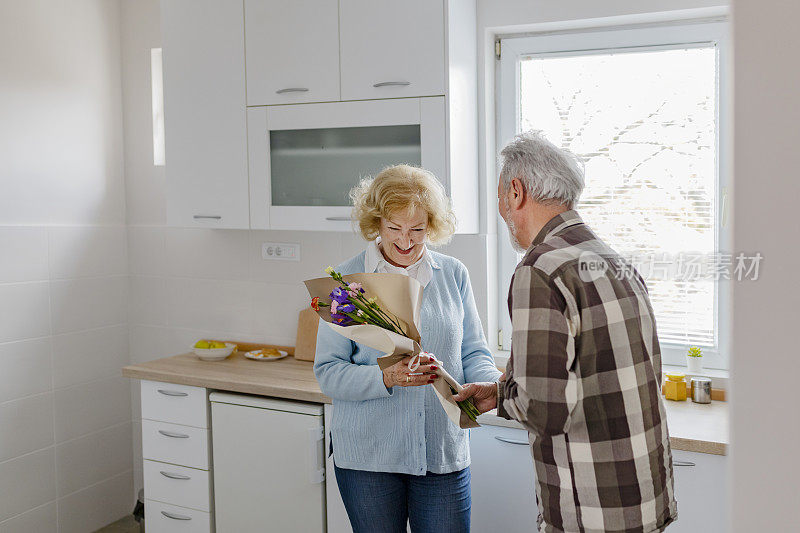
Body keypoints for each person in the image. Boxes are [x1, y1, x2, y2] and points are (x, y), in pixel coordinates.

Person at [455, 132, 677, 532]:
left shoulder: (540, 269)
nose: (501, 209)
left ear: (516, 192)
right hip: (645, 495)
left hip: (590, 508)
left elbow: (544, 410)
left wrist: (508, 397)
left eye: (501, 197)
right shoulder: (611, 258)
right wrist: (499, 393)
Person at [314, 164, 502, 533]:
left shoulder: (453, 274)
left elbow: (475, 352)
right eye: (394, 228)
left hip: (442, 452)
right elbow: (329, 373)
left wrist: (488, 385)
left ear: (431, 225)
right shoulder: (346, 283)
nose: (405, 241)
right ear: (376, 223)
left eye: (417, 229)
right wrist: (387, 377)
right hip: (368, 460)